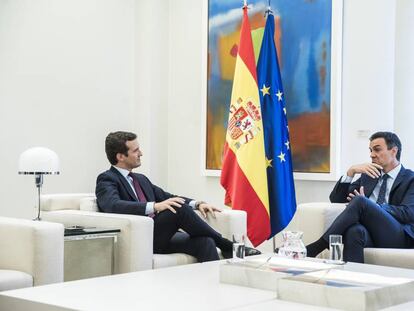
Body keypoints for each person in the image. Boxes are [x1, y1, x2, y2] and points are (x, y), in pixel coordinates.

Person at [95, 131, 260, 262]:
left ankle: (214, 289)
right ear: (120, 156)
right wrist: (154, 206)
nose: (141, 153)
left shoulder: (140, 179)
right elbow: (112, 205)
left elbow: (167, 196)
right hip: (140, 237)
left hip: (160, 235)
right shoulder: (107, 179)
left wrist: (196, 204)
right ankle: (227, 245)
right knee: (177, 208)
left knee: (205, 242)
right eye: (136, 150)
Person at [306, 131, 414, 263]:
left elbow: (408, 213)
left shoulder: (410, 179)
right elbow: (336, 199)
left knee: (361, 201)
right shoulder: (369, 175)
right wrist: (351, 172)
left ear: (394, 151)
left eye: (377, 150)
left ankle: (318, 246)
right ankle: (352, 278)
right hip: (371, 233)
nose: (372, 155)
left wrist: (373, 207)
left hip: (399, 235)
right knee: (354, 231)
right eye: (370, 150)